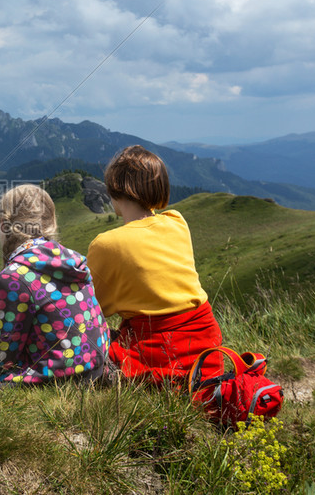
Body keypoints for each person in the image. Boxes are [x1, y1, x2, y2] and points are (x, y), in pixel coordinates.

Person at [0, 184, 110, 386]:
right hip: (93, 372)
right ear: (51, 223)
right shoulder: (75, 261)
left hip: (51, 380)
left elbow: (0, 360)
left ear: (3, 225)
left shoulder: (14, 276)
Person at [86, 145, 223, 384]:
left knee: (79, 342)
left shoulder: (106, 244)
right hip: (207, 349)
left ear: (115, 189)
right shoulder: (177, 221)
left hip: (157, 350)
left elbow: (90, 311)